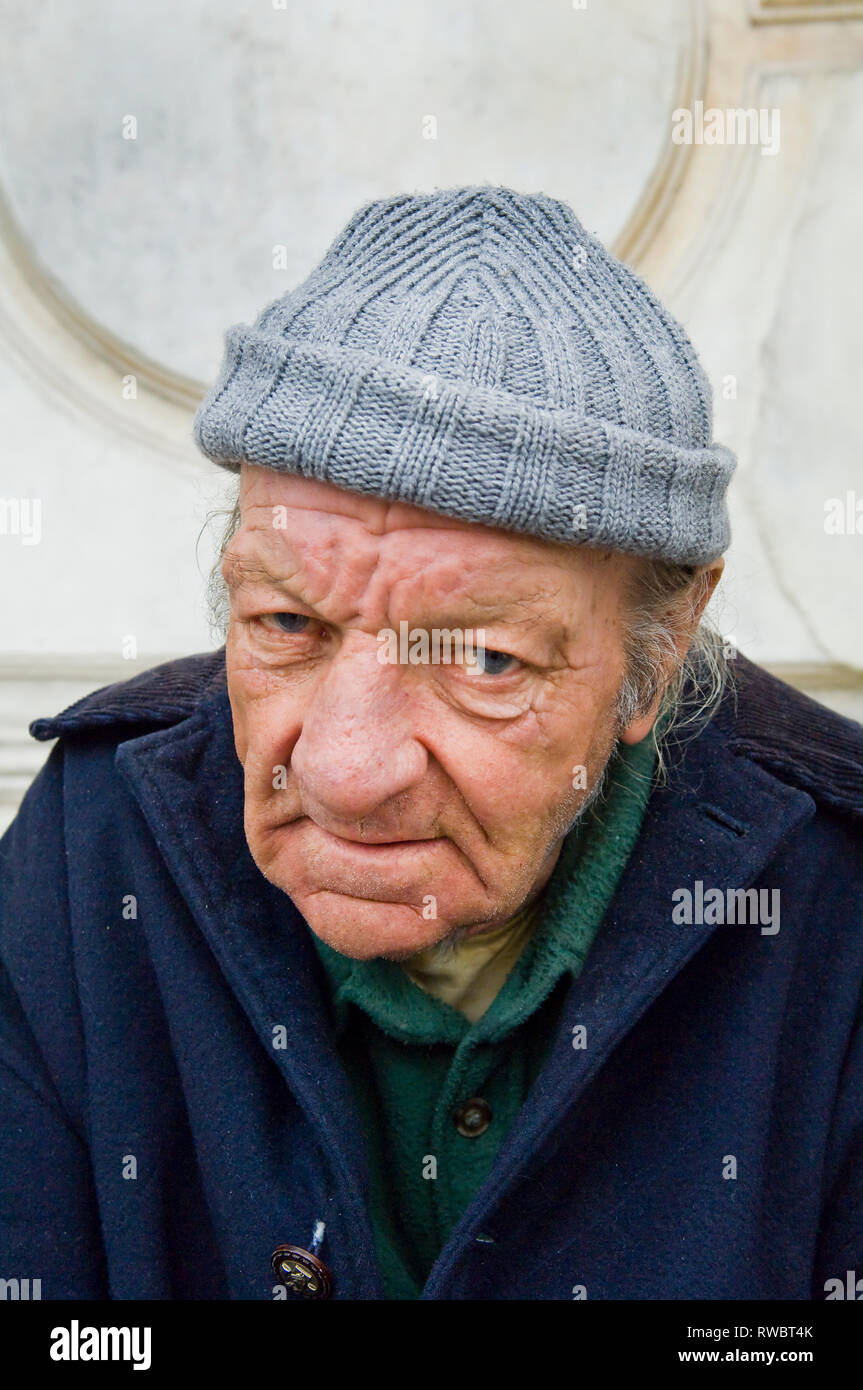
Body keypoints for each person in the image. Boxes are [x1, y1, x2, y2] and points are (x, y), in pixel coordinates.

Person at [2, 187, 861, 1301]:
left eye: (484, 662)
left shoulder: (834, 900)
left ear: (658, 650)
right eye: (287, 624)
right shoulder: (92, 835)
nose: (342, 772)